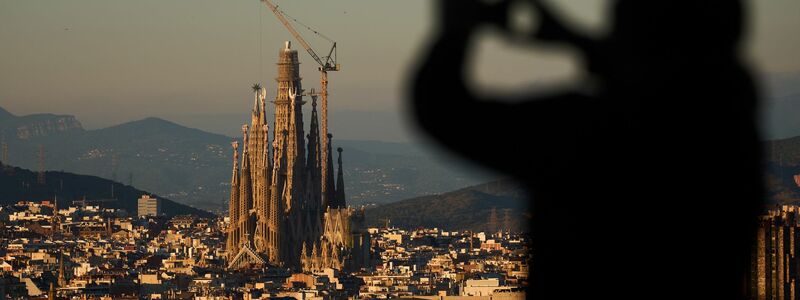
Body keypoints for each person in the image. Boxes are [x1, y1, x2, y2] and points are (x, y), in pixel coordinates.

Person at [410, 0, 761, 298]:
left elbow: (443, 110)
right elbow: (667, 79)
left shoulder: (593, 135)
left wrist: (457, 29)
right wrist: (585, 44)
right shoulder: (729, 134)